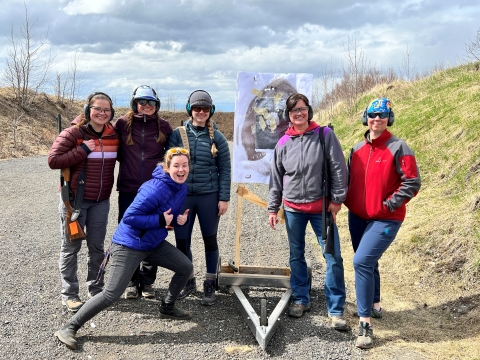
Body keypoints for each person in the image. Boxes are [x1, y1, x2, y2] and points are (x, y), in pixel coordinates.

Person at [54, 148, 194, 350]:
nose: (181, 170)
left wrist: (180, 220)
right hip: (129, 244)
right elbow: (129, 217)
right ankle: (69, 327)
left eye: (185, 165)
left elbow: (169, 217)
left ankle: (167, 307)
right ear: (166, 167)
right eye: (176, 166)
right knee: (111, 293)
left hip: (152, 242)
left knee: (185, 267)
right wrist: (161, 219)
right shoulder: (154, 188)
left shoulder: (181, 188)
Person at [344, 97, 421, 349]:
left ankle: (365, 323)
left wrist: (389, 204)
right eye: (373, 115)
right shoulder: (356, 149)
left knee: (361, 262)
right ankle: (375, 304)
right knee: (368, 260)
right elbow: (347, 179)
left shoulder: (399, 147)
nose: (377, 119)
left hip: (386, 218)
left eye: (383, 115)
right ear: (366, 118)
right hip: (357, 216)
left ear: (390, 118)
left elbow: (412, 182)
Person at [268, 93, 349, 331]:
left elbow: (338, 168)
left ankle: (336, 309)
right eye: (294, 111)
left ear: (309, 111)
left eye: (302, 109)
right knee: (296, 255)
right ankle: (301, 298)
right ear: (289, 116)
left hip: (320, 209)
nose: (299, 114)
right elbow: (276, 178)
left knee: (332, 257)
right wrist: (274, 207)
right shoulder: (283, 142)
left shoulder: (324, 135)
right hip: (293, 209)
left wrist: (337, 199)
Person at [48, 92, 119, 312]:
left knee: (97, 247)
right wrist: (83, 149)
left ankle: (96, 289)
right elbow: (53, 160)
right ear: (88, 110)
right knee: (71, 248)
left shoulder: (113, 136)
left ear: (111, 113)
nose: (102, 113)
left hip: (101, 201)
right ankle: (69, 294)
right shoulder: (73, 133)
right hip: (74, 203)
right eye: (98, 108)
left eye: (106, 110)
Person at [167, 90, 231, 306]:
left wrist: (224, 197)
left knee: (209, 240)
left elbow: (225, 168)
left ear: (211, 110)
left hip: (208, 196)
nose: (201, 112)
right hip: (183, 197)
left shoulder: (217, 137)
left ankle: (210, 282)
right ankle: (188, 279)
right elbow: (169, 167)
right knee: (182, 241)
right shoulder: (178, 134)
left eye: (205, 108)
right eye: (197, 108)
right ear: (190, 110)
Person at [114, 85, 173, 300]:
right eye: (142, 101)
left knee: (153, 232)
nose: (146, 106)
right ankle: (131, 280)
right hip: (129, 188)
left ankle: (147, 282)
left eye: (151, 102)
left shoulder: (164, 127)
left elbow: (173, 156)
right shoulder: (121, 124)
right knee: (129, 233)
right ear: (134, 103)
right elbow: (96, 129)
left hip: (155, 190)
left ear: (156, 105)